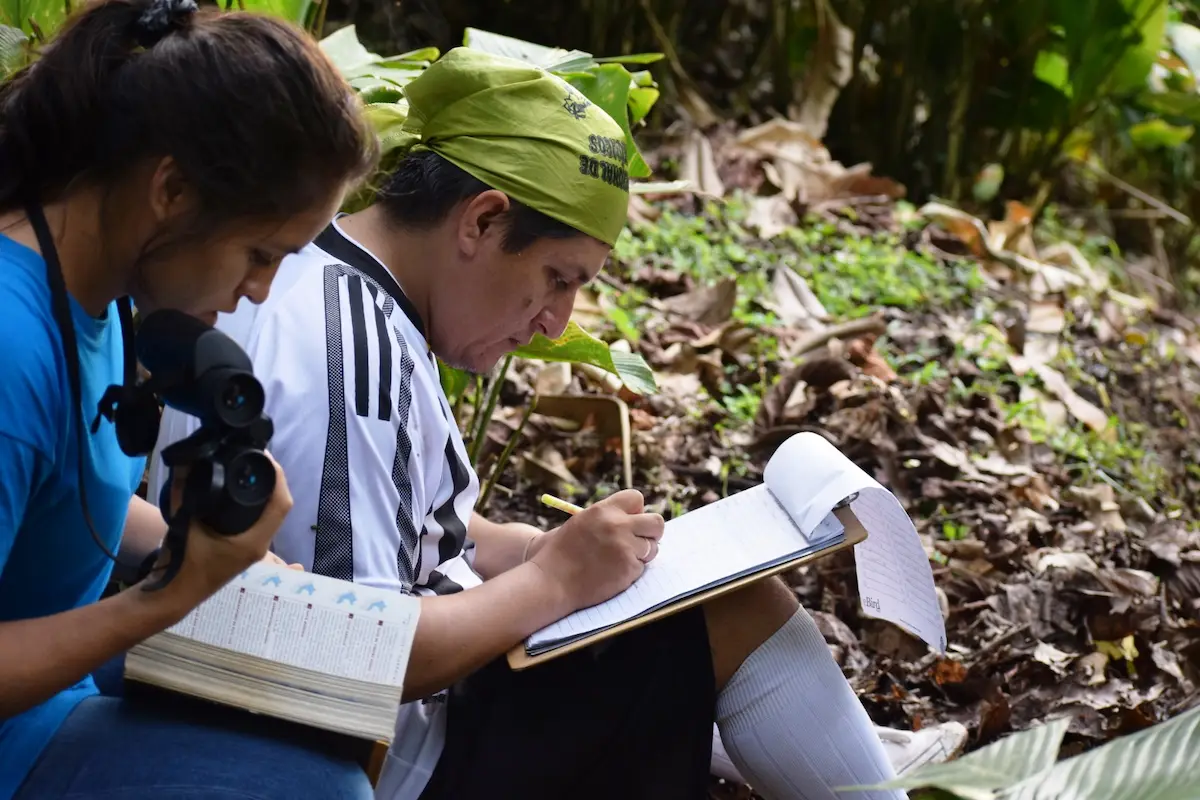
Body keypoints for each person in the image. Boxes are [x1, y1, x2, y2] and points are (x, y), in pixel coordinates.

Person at [148, 47, 965, 800]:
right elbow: (358, 656)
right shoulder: (350, 352)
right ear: (481, 221)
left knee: (683, 621)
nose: (554, 322)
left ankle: (833, 752)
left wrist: (520, 549)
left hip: (375, 706)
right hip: (394, 760)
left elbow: (367, 515)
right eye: (557, 278)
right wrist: (554, 584)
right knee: (735, 615)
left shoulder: (319, 277)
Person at [0, 0, 381, 797]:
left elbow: (51, 495)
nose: (259, 291)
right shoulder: (12, 347)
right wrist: (167, 596)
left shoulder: (96, 292)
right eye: (260, 253)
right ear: (171, 188)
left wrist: (215, 554)